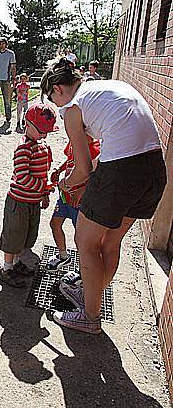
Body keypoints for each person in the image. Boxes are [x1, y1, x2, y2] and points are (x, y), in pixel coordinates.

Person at [41, 58, 166, 334]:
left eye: (53, 99)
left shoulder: (73, 107)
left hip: (122, 173)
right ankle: (91, 298)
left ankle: (89, 315)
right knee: (110, 242)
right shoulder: (109, 87)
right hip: (154, 171)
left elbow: (83, 168)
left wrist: (64, 184)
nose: (57, 106)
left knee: (85, 241)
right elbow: (105, 156)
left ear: (58, 89)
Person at [0, 103, 58, 288]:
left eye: (47, 132)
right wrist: (44, 187)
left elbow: (43, 173)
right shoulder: (24, 148)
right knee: (14, 236)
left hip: (32, 201)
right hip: (19, 202)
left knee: (26, 236)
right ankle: (6, 268)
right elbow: (22, 177)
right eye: (41, 131)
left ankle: (15, 264)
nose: (44, 135)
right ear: (27, 124)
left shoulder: (42, 146)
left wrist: (44, 194)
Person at [47, 134, 100, 271]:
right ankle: (64, 256)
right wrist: (59, 169)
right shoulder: (74, 142)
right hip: (65, 196)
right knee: (55, 223)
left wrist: (82, 190)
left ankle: (84, 269)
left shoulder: (95, 150)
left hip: (80, 201)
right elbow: (69, 160)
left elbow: (97, 176)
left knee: (81, 237)